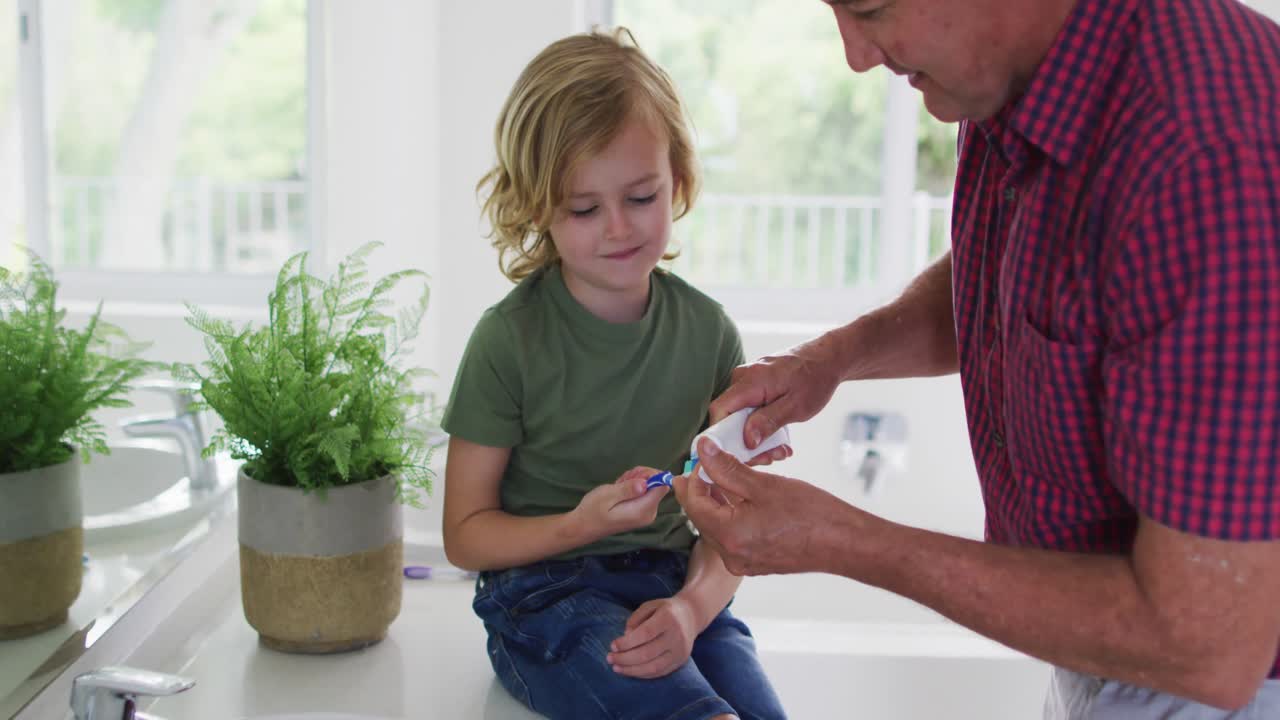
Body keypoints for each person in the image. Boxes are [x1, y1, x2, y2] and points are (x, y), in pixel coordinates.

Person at [673, 0, 1280, 717]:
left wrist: (842, 541)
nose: (856, 57)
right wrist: (828, 361)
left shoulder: (1205, 153)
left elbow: (1205, 645)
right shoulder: (1000, 78)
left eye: (872, 9)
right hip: (1102, 661)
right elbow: (1030, 275)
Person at [440, 27, 787, 720]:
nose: (619, 230)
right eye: (585, 208)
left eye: (641, 197)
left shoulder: (710, 334)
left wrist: (690, 611)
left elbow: (729, 533)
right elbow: (465, 534)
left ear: (678, 181)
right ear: (539, 208)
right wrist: (579, 524)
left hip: (674, 585)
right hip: (544, 593)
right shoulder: (508, 341)